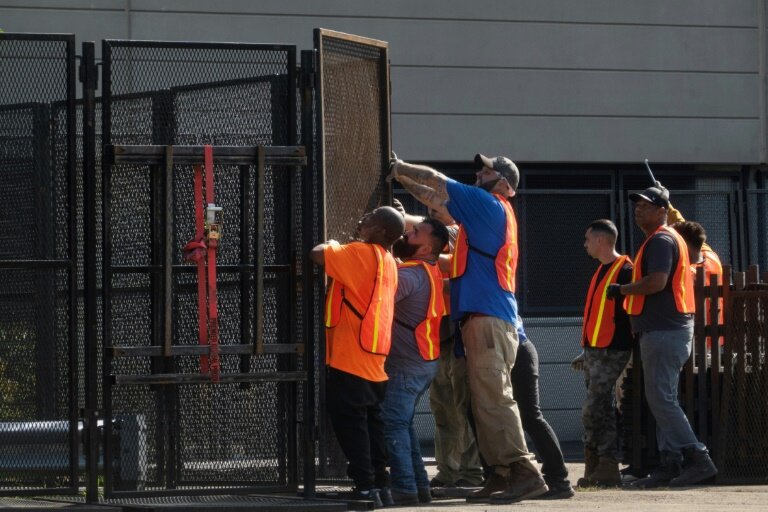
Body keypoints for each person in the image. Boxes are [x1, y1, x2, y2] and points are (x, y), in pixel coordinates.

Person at [389, 154, 548, 504]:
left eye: (488, 170)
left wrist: (397, 168)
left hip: (488, 319)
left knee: (494, 399)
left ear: (505, 184)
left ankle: (524, 472)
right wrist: (402, 184)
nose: (479, 173)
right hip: (482, 320)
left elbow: (434, 182)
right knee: (482, 402)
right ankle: (500, 473)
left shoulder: (489, 204)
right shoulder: (480, 221)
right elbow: (436, 204)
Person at [606, 185, 718, 488]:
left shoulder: (661, 240)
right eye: (637, 205)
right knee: (661, 398)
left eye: (646, 205)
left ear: (662, 212)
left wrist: (622, 290)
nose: (638, 209)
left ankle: (697, 458)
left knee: (661, 398)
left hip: (664, 330)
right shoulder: (665, 239)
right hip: (666, 329)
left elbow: (656, 283)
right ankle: (671, 463)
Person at [309, 206, 405, 507]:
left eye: (371, 220)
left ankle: (365, 489)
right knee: (371, 425)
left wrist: (333, 244)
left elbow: (318, 253)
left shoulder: (362, 253)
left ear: (382, 232)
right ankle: (379, 485)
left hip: (350, 358)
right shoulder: (388, 260)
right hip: (374, 361)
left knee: (352, 426)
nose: (362, 221)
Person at [379, 217, 450, 506]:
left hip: (407, 365)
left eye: (415, 233)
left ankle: (405, 488)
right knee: (403, 424)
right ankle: (418, 486)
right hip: (422, 361)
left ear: (426, 248)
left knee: (393, 423)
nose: (408, 233)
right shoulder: (429, 270)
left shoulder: (409, 275)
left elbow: (380, 298)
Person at [425, 208, 486, 492]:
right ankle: (448, 470)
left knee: (463, 405)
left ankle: (471, 471)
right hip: (436, 335)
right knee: (442, 407)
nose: (431, 208)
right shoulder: (425, 241)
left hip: (458, 334)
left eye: (437, 204)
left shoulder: (456, 235)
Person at [577, 219, 634, 487]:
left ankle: (602, 462)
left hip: (612, 349)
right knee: (603, 409)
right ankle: (602, 468)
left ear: (601, 240)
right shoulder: (602, 270)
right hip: (595, 351)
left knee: (593, 407)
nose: (585, 244)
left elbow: (629, 313)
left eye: (588, 239)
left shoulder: (625, 270)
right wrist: (586, 350)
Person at [512, 319, 575, 498]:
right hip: (521, 350)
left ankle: (559, 479)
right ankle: (556, 478)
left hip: (520, 350)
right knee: (528, 417)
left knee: (530, 417)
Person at [671, 220, 724, 347]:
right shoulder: (712, 257)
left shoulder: (687, 272)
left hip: (696, 341)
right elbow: (692, 234)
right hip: (717, 338)